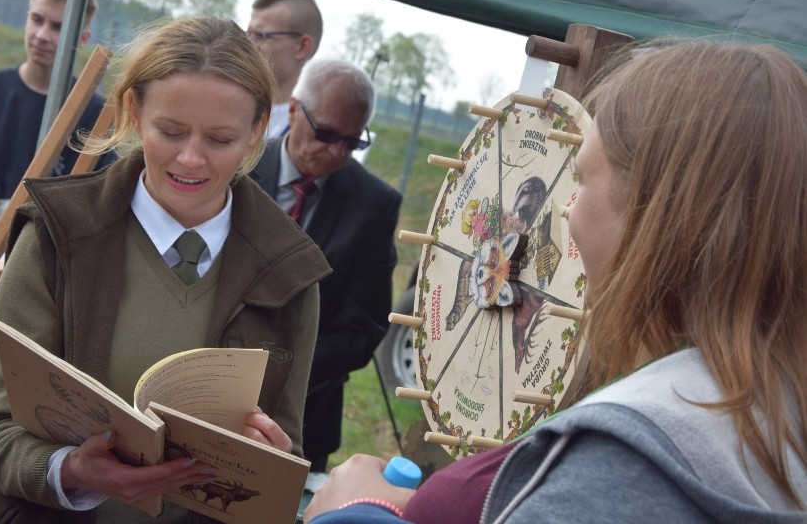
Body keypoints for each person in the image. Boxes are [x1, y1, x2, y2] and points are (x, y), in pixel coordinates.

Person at [303, 41, 807, 523]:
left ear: (657, 217)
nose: (566, 209)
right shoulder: (774, 407)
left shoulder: (624, 461)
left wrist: (357, 514)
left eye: (583, 179)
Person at [0, 16, 331, 523]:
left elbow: (282, 466)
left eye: (220, 139)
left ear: (256, 133)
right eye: (171, 131)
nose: (191, 158)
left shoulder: (290, 275)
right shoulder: (57, 233)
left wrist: (270, 460)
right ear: (133, 113)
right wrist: (70, 470)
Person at [249, 58, 402, 472]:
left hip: (302, 420)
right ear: (295, 110)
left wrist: (278, 369)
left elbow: (364, 327)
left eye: (353, 143)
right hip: (203, 393)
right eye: (328, 134)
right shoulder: (237, 166)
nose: (337, 152)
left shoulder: (375, 206)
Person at [0, 0, 113, 235]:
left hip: (46, 259)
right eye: (37, 20)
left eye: (57, 27)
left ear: (83, 38)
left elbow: (99, 203)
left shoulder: (96, 116)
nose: (42, 35)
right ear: (27, 18)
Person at [248, 0, 323, 140]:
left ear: (302, 47)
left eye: (260, 36)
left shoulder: (310, 137)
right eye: (248, 34)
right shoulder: (227, 106)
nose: (249, 45)